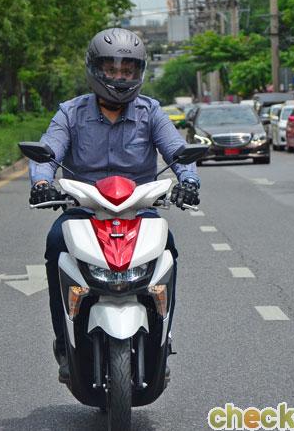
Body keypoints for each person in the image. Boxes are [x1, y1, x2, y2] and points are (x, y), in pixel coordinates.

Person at [28, 28, 201, 382]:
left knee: (168, 247)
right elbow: (48, 151)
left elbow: (177, 152)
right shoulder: (70, 113)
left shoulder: (151, 112)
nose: (120, 77)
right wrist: (42, 183)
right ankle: (64, 341)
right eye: (112, 69)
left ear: (139, 72)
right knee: (55, 242)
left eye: (127, 70)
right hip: (84, 211)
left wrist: (189, 181)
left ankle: (162, 339)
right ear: (95, 70)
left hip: (139, 211)